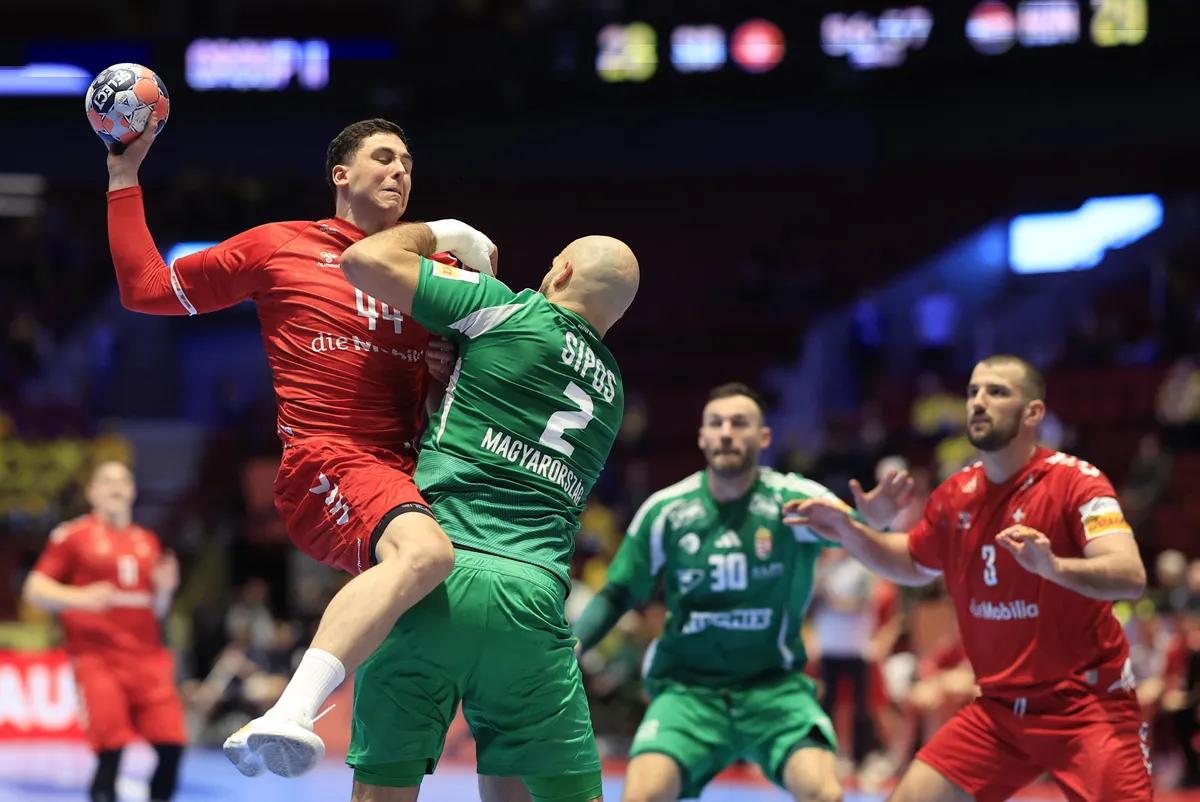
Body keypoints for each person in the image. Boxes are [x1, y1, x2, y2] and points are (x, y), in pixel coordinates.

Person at [104, 111, 497, 777]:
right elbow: (146, 289)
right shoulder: (279, 246)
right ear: (341, 174)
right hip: (327, 461)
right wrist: (123, 173)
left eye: (407, 163)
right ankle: (289, 710)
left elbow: (476, 364)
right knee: (426, 554)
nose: (400, 171)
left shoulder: (433, 269)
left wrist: (447, 367)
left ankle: (338, 755)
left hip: (410, 474)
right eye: (383, 158)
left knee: (442, 633)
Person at [335, 224, 639, 802]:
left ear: (563, 272)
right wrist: (450, 377)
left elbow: (363, 260)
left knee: (383, 791)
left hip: (436, 574)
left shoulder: (505, 309)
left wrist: (447, 232)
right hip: (533, 602)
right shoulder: (612, 393)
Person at [784, 355, 1151, 802]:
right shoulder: (954, 495)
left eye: (997, 392)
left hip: (1087, 705)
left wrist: (1053, 567)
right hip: (999, 711)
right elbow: (911, 562)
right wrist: (850, 531)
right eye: (973, 391)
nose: (979, 402)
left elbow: (1130, 575)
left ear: (1033, 412)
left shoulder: (1078, 483)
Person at [572, 383, 913, 802]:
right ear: (702, 437)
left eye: (739, 423)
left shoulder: (795, 501)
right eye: (716, 423)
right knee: (640, 796)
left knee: (824, 793)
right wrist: (575, 644)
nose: (726, 433)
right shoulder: (666, 511)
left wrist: (874, 520)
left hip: (774, 691)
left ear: (764, 436)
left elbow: (855, 530)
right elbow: (619, 593)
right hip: (688, 693)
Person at [22, 460, 186, 802]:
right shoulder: (72, 536)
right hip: (97, 659)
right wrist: (78, 597)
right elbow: (34, 589)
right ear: (92, 492)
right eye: (107, 481)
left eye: (123, 481)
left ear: (133, 491)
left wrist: (165, 590)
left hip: (147, 658)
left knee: (172, 745)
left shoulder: (147, 541)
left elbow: (156, 610)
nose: (116, 488)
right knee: (111, 749)